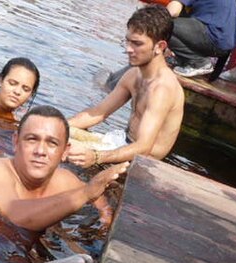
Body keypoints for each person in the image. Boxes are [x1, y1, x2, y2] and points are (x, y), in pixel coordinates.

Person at [0, 105, 129, 232]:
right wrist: (86, 193)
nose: (40, 151)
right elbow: (16, 216)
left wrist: (105, 216)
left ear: (64, 151)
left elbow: (99, 197)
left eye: (52, 143)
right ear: (16, 142)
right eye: (32, 139)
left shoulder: (65, 180)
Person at [67, 5, 184, 168]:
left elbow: (143, 147)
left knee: (62, 150)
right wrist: (58, 125)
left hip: (141, 164)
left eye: (137, 43)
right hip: (122, 143)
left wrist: (96, 157)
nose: (128, 49)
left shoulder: (162, 89)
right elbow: (97, 113)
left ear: (159, 47)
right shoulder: (133, 74)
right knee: (52, 134)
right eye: (127, 40)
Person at [166, 0, 236, 77]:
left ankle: (198, 62)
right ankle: (184, 60)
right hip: (226, 45)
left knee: (163, 24)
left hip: (213, 37)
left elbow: (172, 11)